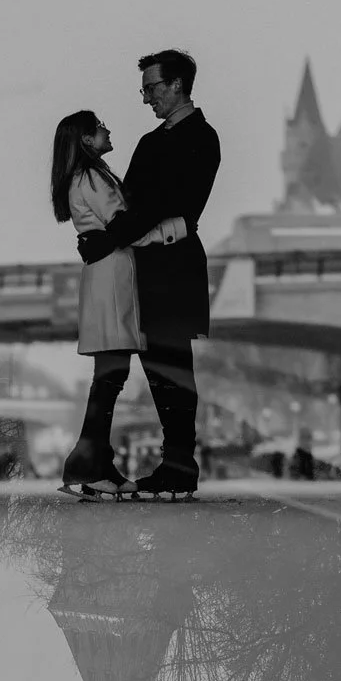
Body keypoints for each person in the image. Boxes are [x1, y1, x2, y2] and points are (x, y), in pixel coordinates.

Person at [76, 49, 220, 499]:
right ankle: (170, 467)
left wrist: (110, 237)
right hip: (142, 265)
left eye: (152, 88)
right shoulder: (149, 141)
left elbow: (169, 202)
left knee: (174, 368)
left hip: (174, 268)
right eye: (144, 89)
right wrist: (115, 233)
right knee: (158, 371)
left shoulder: (202, 138)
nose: (146, 98)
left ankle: (179, 467)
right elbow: (134, 204)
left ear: (178, 85)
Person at [51, 110, 141, 496]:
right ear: (86, 139)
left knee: (110, 376)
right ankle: (86, 465)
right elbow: (125, 224)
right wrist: (173, 230)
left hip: (107, 275)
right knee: (109, 377)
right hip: (112, 278)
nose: (107, 129)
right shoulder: (90, 177)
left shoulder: (87, 175)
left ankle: (96, 463)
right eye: (100, 126)